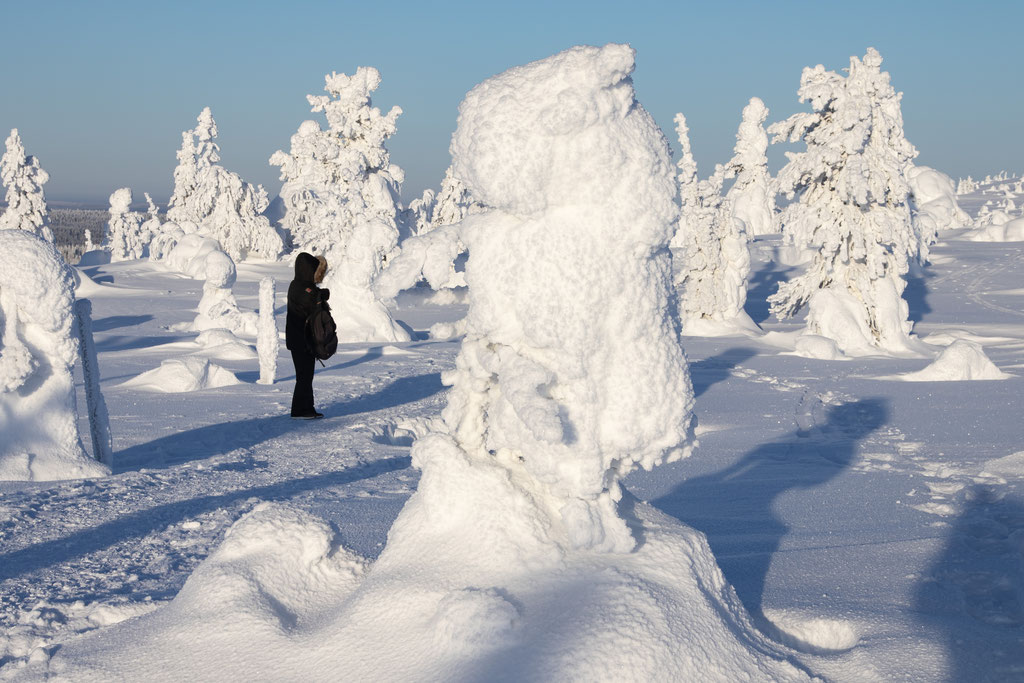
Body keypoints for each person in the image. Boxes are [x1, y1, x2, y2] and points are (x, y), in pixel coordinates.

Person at [286, 252, 329, 419]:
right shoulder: (301, 287)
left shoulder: (298, 284)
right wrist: (322, 294)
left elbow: (313, 295)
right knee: (304, 376)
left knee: (306, 376)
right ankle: (300, 410)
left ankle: (306, 408)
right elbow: (311, 299)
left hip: (301, 339)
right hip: (300, 340)